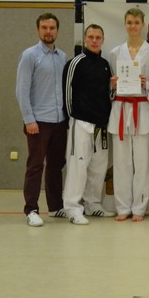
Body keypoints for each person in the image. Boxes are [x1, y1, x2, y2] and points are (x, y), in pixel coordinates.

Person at [108, 8, 149, 222]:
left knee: (141, 162)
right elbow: (110, 88)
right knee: (121, 162)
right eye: (129, 22)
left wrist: (146, 83)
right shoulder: (115, 52)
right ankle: (122, 207)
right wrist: (112, 85)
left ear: (142, 25)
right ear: (124, 24)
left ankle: (139, 207)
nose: (133, 26)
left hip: (142, 108)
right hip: (121, 108)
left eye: (136, 22)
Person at [16, 13, 68, 227]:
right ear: (38, 30)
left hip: (59, 121)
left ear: (57, 30)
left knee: (56, 165)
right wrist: (29, 119)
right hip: (38, 122)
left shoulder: (62, 57)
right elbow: (21, 90)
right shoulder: (30, 55)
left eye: (52, 28)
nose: (48, 31)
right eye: (44, 28)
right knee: (35, 166)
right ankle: (31, 210)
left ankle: (55, 207)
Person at [62, 24, 113, 225]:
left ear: (103, 40)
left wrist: (113, 88)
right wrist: (72, 119)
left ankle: (93, 204)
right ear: (85, 39)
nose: (94, 40)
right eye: (91, 37)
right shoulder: (75, 62)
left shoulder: (105, 64)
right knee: (78, 166)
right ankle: (72, 208)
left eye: (98, 37)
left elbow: (107, 94)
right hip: (81, 122)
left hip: (101, 125)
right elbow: (67, 94)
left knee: (98, 166)